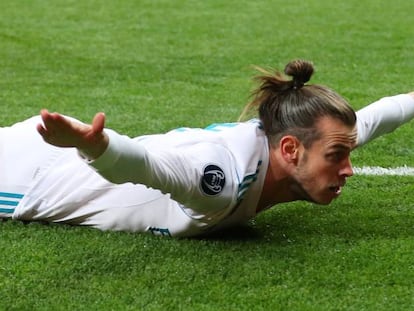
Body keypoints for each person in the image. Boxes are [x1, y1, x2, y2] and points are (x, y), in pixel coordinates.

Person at [1, 60, 413, 237]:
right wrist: (96, 147)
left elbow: (382, 115)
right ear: (290, 150)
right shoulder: (220, 180)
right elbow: (143, 166)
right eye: (337, 156)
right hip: (31, 178)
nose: (348, 168)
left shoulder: (298, 134)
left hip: (56, 150)